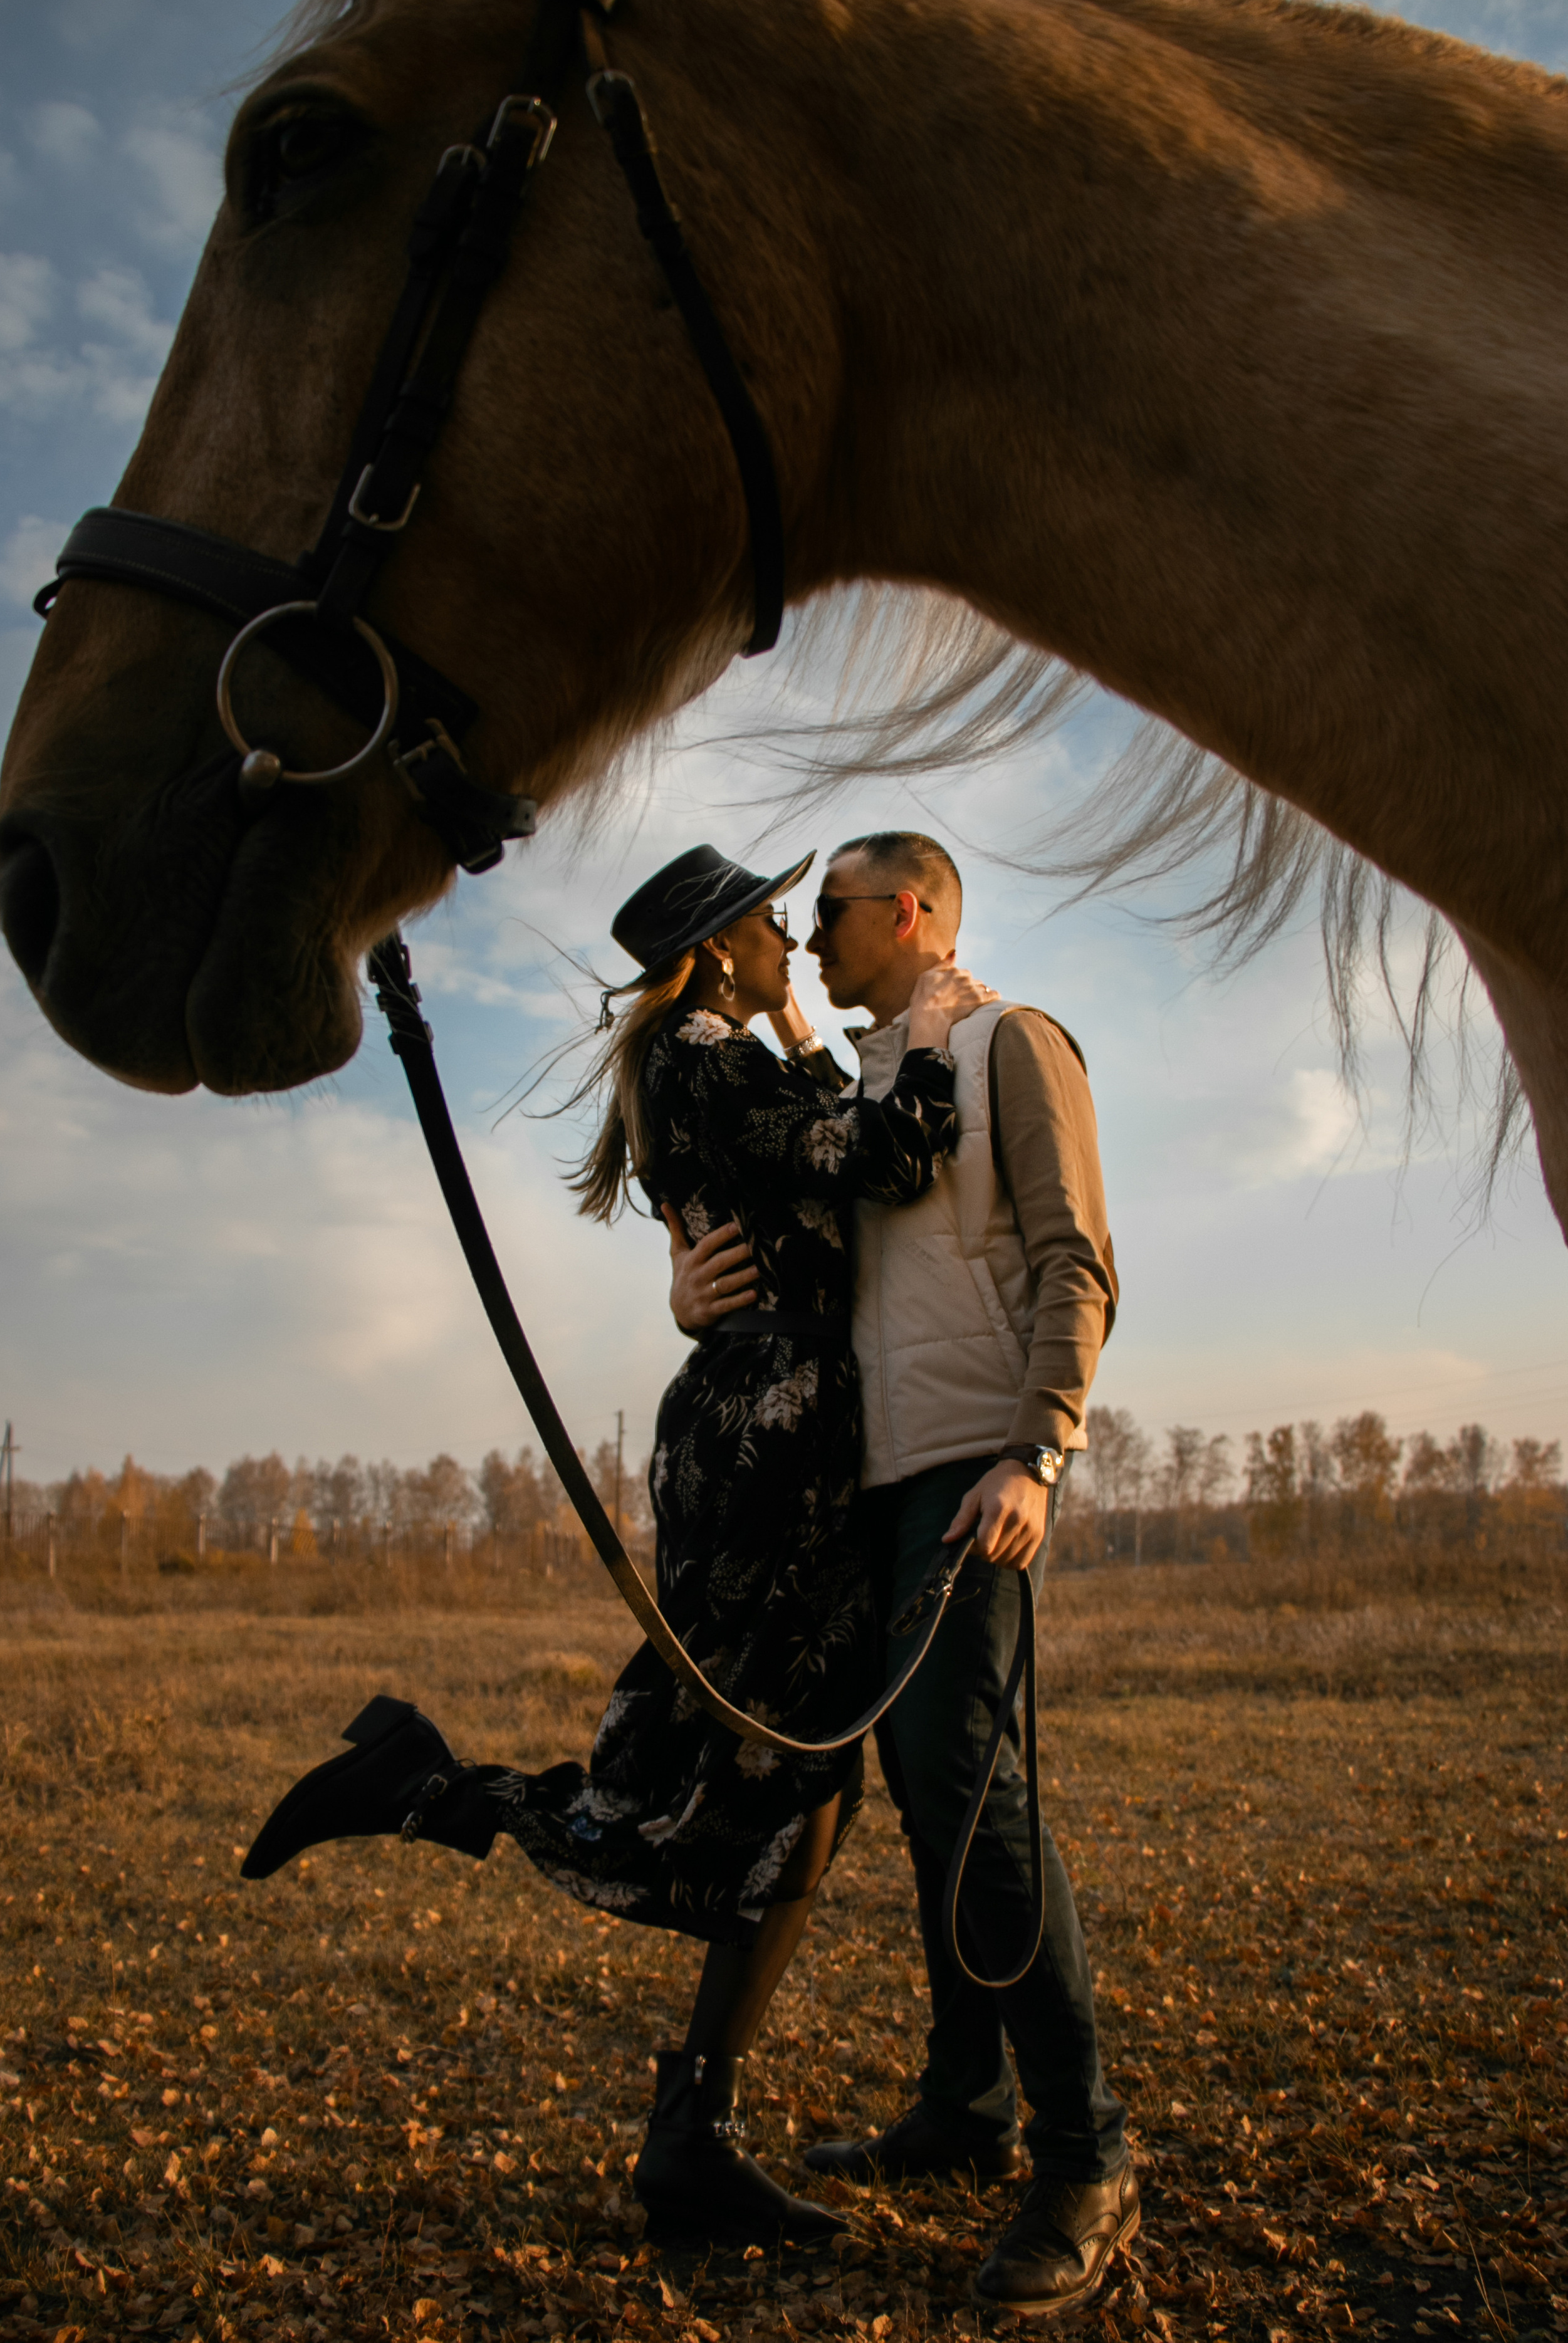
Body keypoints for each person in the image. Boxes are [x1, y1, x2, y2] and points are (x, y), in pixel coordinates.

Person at [239, 842, 995, 2252]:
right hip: (772, 1430)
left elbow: (812, 1160)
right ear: (713, 954)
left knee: (785, 1772)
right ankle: (438, 1796)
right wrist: (938, 1034)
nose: (792, 943)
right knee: (766, 1766)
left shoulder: (713, 1053)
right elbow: (887, 1156)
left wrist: (790, 1036)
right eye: (772, 929)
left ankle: (688, 2135)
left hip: (766, 1415)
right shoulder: (700, 1056)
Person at [667, 830, 1136, 2319]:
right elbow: (792, 1237)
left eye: (831, 912)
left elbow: (1077, 1258)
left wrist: (1037, 1448)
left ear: (912, 913)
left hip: (966, 1471)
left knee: (976, 1803)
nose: (804, 938)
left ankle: (1083, 2153)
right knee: (928, 1802)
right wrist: (687, 1290)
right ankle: (962, 2107)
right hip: (851, 1486)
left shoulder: (1009, 1042)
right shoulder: (865, 1085)